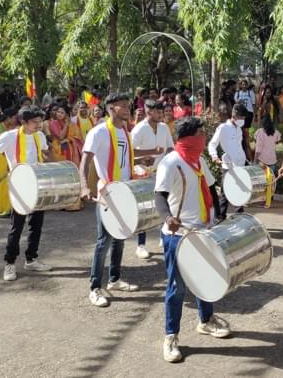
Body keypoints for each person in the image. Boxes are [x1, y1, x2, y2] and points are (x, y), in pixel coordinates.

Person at [154, 117, 231, 363]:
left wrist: (218, 215)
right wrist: (167, 218)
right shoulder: (171, 162)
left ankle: (205, 320)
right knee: (177, 287)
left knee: (205, 280)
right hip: (178, 235)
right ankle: (171, 336)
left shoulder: (199, 160)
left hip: (202, 231)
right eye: (200, 133)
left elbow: (210, 189)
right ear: (188, 138)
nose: (203, 137)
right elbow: (159, 196)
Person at [0, 106, 53, 281]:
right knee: (17, 226)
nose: (39, 125)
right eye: (35, 122)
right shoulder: (9, 136)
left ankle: (31, 259)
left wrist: (48, 159)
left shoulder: (40, 136)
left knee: (36, 225)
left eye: (40, 121)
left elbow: (45, 152)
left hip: (38, 185)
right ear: (23, 122)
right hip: (19, 185)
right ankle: (9, 264)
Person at [80, 93, 140, 307]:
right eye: (123, 106)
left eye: (128, 105)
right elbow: (85, 160)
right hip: (107, 192)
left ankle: (114, 279)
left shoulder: (125, 132)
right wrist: (84, 185)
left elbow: (125, 160)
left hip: (125, 191)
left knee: (120, 237)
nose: (128, 109)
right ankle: (95, 287)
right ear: (111, 109)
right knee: (104, 241)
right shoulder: (99, 132)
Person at [131, 100, 172, 258]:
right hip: (143, 173)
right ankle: (141, 245)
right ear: (149, 112)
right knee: (144, 209)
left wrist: (168, 158)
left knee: (164, 204)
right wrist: (148, 154)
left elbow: (170, 147)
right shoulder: (139, 129)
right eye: (158, 112)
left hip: (161, 172)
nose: (161, 114)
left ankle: (164, 236)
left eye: (162, 111)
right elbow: (130, 151)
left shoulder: (164, 127)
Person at [208, 103, 248, 219]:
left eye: (244, 118)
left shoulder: (239, 129)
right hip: (228, 165)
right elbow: (212, 144)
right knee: (225, 192)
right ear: (234, 116)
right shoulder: (223, 128)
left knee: (241, 190)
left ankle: (239, 216)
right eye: (241, 117)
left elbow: (239, 146)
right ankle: (220, 217)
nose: (243, 120)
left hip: (240, 164)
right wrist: (214, 156)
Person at [254, 114, 282, 179]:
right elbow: (278, 141)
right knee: (270, 179)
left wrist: (255, 160)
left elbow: (258, 149)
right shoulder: (276, 132)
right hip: (272, 160)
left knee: (262, 179)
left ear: (262, 122)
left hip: (262, 160)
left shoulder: (259, 132)